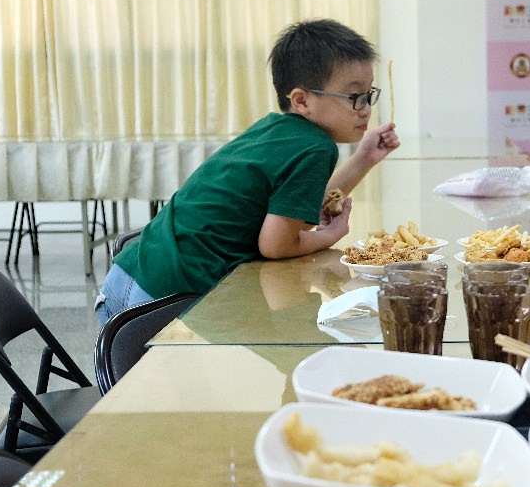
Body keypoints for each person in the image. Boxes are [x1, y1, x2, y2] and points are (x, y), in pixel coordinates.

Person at [95, 19, 399, 328]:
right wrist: (329, 237)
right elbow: (276, 245)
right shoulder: (316, 147)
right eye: (354, 97)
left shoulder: (276, 130)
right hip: (164, 291)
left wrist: (363, 160)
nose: (365, 109)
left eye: (368, 94)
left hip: (131, 274)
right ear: (302, 100)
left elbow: (296, 208)